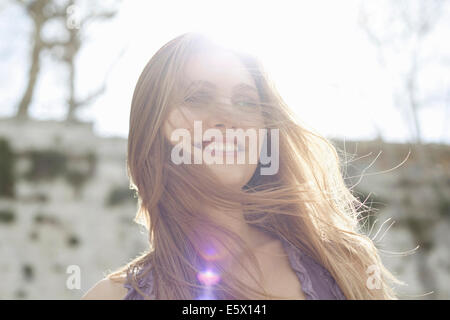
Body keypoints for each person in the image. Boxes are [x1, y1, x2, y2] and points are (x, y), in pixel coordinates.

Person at [82, 32, 401, 300]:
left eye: (246, 101)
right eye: (196, 97)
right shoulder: (109, 296)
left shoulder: (345, 266)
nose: (228, 118)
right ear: (154, 129)